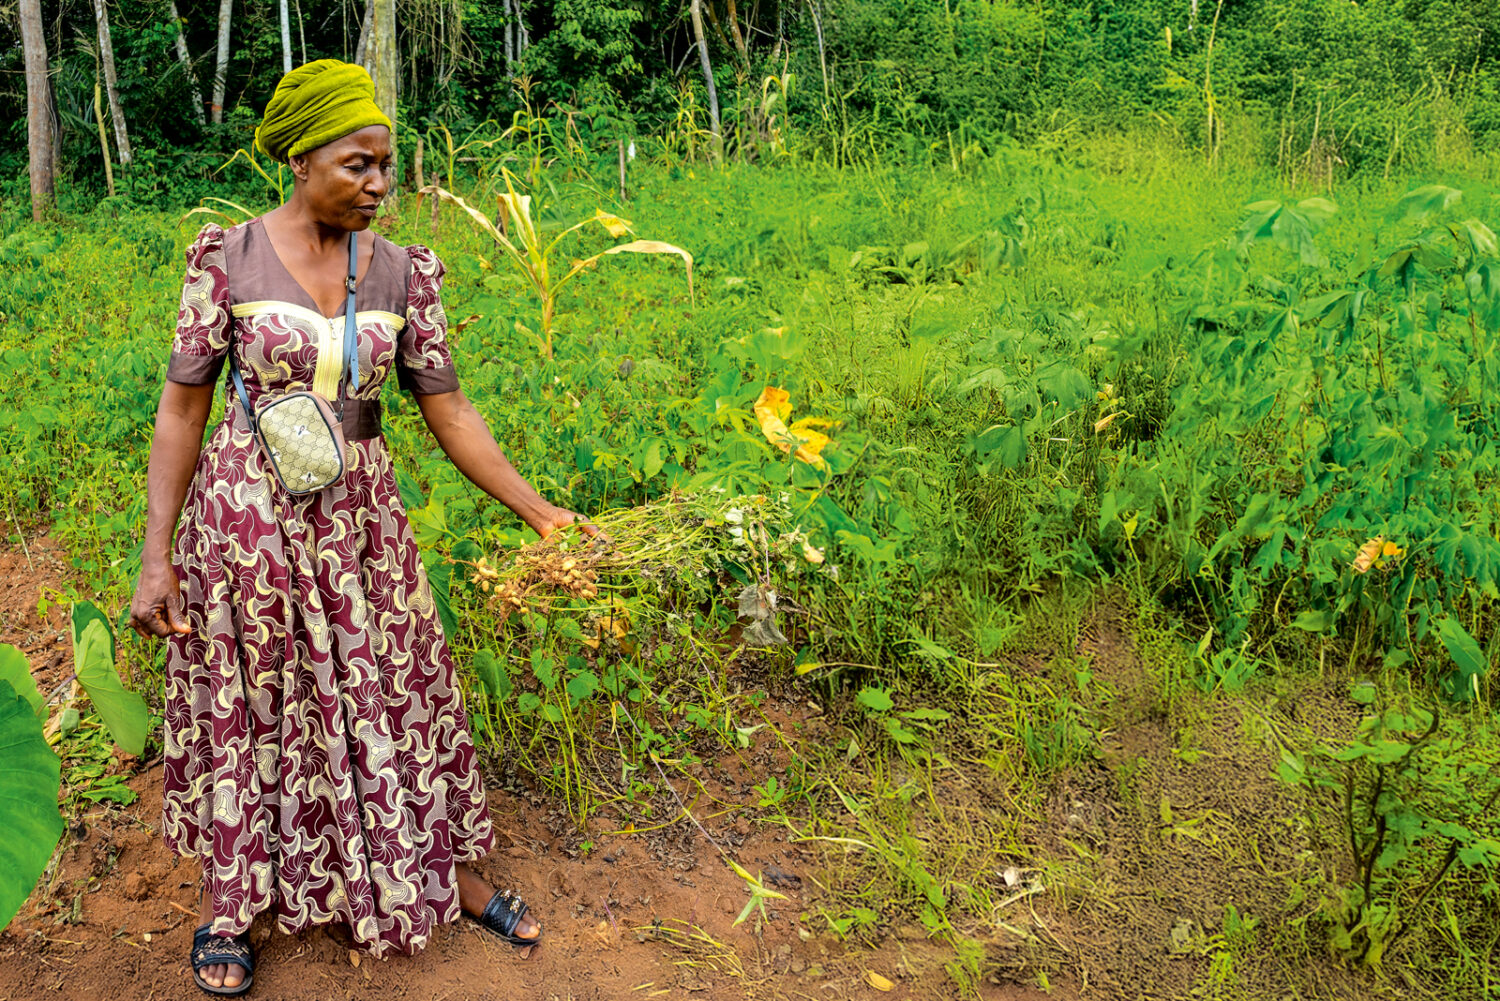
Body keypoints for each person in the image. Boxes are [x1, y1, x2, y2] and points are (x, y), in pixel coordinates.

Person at [128, 59, 587, 996]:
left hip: (362, 522)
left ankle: (444, 873)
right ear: (301, 159)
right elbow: (181, 412)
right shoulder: (228, 257)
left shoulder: (404, 273)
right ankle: (233, 899)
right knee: (252, 699)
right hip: (247, 519)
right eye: (358, 164)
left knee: (394, 685)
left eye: (387, 165)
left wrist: (539, 510)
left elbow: (448, 408)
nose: (379, 184)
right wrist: (156, 556)